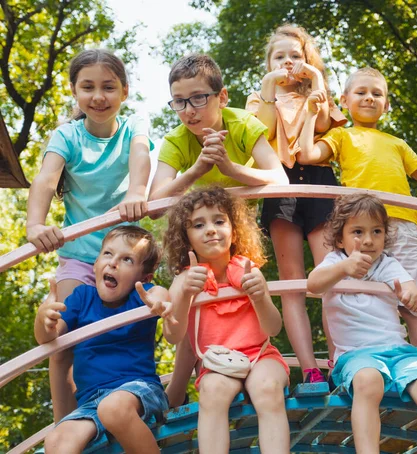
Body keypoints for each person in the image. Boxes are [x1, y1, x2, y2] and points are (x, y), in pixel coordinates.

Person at [26, 49, 153, 421]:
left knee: (134, 329)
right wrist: (36, 224)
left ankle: (136, 403)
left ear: (124, 92)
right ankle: (64, 424)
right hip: (80, 257)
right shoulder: (67, 135)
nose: (98, 96)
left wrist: (136, 193)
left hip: (126, 258)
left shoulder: (134, 127)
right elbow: (47, 179)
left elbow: (141, 157)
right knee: (63, 340)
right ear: (74, 92)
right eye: (88, 87)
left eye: (108, 87)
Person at [299, 67, 417, 363]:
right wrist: (311, 115)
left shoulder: (397, 143)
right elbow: (306, 155)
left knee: (415, 303)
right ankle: (338, 366)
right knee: (340, 291)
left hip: (402, 226)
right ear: (344, 99)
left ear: (387, 104)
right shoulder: (341, 136)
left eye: (377, 94)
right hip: (358, 230)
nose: (369, 98)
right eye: (361, 92)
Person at [245, 24, 347, 383]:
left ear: (307, 62)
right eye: (279, 56)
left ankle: (340, 361)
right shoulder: (259, 98)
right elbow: (264, 129)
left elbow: (321, 124)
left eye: (296, 56)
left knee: (330, 277)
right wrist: (270, 88)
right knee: (293, 283)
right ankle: (310, 368)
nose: (288, 62)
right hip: (280, 186)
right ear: (269, 63)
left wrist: (316, 78)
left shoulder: (317, 94)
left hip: (319, 183)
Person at [307, 193, 417, 453]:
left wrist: (415, 297)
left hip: (398, 351)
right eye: (358, 231)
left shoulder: (386, 263)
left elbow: (411, 290)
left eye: (377, 231)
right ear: (340, 238)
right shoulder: (335, 262)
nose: (369, 240)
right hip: (355, 356)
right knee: (368, 382)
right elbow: (314, 284)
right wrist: (344, 268)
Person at [154, 187, 290, 453]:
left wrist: (260, 296)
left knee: (268, 387)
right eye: (198, 224)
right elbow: (173, 336)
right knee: (212, 391)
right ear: (187, 238)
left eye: (219, 221)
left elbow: (273, 328)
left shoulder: (249, 270)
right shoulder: (184, 280)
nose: (211, 230)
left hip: (261, 356)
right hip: (216, 363)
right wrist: (184, 296)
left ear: (234, 230)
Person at [35, 226, 170, 454]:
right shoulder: (81, 297)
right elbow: (49, 337)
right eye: (107, 254)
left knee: (113, 408)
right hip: (91, 403)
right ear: (95, 264)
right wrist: (43, 320)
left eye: (127, 259)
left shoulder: (143, 295)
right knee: (56, 441)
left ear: (143, 277)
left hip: (139, 390)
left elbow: (160, 296)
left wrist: (160, 302)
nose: (113, 263)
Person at [148, 53, 288, 201]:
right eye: (179, 101)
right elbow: (154, 205)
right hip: (204, 219)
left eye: (198, 97)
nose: (189, 110)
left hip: (244, 218)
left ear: (222, 98)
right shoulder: (175, 141)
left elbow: (280, 179)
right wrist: (196, 170)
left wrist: (231, 169)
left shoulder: (245, 125)